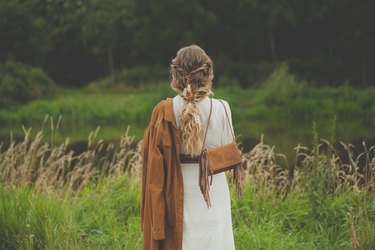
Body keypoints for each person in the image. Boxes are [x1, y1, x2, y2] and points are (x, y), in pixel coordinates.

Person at [141, 45, 236, 250]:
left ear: (176, 75)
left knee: (184, 241)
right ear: (208, 74)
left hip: (178, 193)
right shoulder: (222, 108)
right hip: (213, 190)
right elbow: (228, 152)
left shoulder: (164, 110)